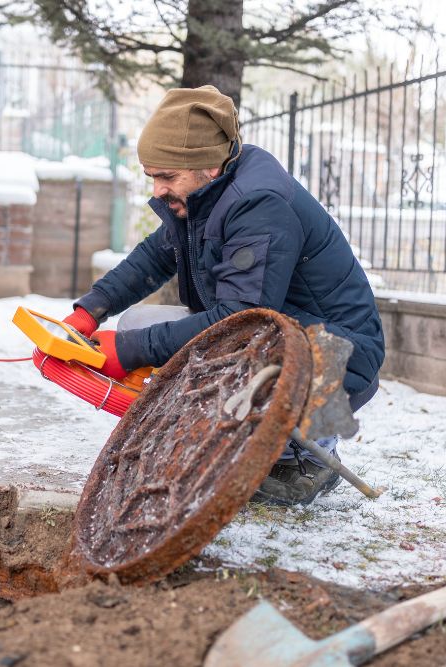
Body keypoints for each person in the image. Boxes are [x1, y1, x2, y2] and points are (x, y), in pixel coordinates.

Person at [62, 85, 385, 506]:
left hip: (338, 357)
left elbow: (241, 318)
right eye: (153, 176)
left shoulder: (259, 204)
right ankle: (250, 445)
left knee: (150, 341)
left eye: (166, 176)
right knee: (137, 325)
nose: (157, 189)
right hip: (280, 333)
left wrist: (131, 350)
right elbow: (152, 258)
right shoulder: (202, 196)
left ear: (208, 166)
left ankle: (306, 459)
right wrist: (91, 310)